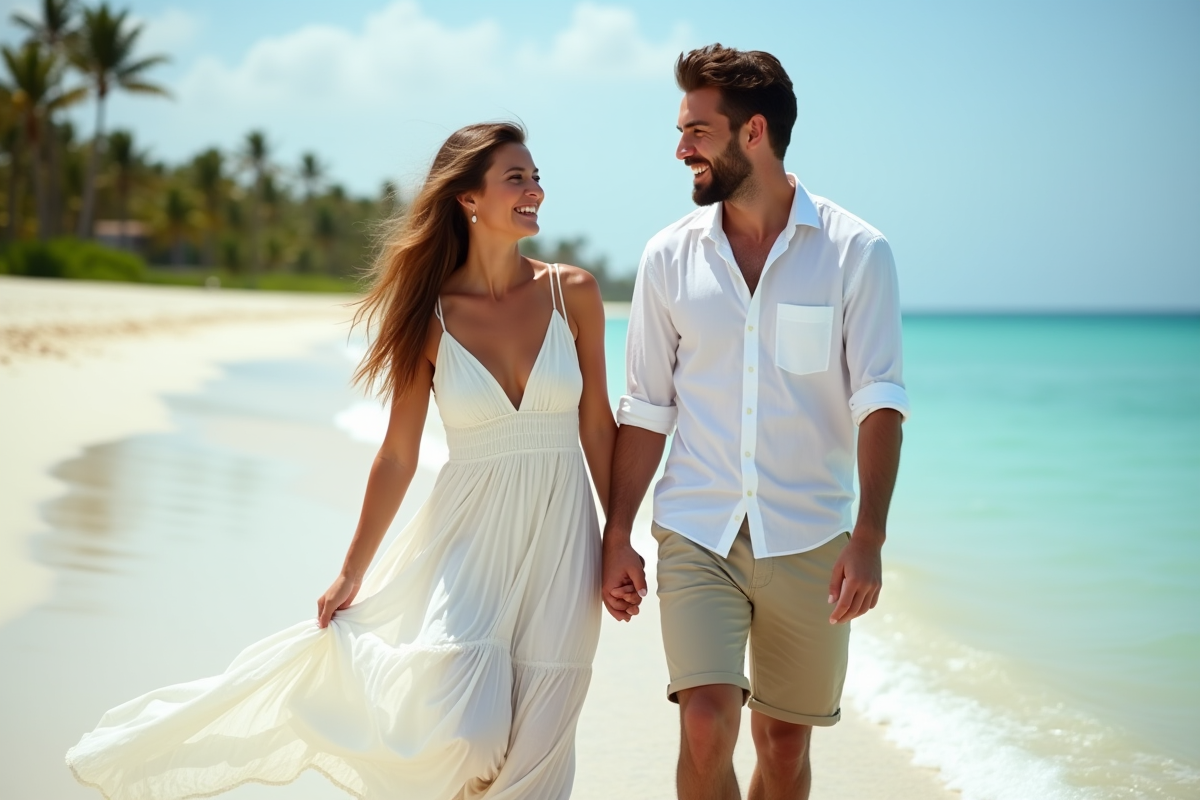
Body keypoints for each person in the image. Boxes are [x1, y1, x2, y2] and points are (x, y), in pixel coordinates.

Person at [67, 122, 616, 799]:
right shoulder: (431, 316)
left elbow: (598, 424)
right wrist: (352, 569)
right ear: (468, 198)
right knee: (466, 731)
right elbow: (398, 454)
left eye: (535, 177)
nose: (535, 190)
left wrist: (618, 535)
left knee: (539, 755)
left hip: (564, 539)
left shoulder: (572, 292)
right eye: (516, 178)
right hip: (469, 541)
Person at [601, 45, 910, 800]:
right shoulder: (667, 257)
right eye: (682, 131)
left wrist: (869, 537)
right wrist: (618, 532)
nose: (682, 150)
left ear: (754, 132)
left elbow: (879, 401)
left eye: (697, 132)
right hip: (696, 527)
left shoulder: (856, 252)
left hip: (810, 534)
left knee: (783, 746)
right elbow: (645, 407)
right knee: (707, 724)